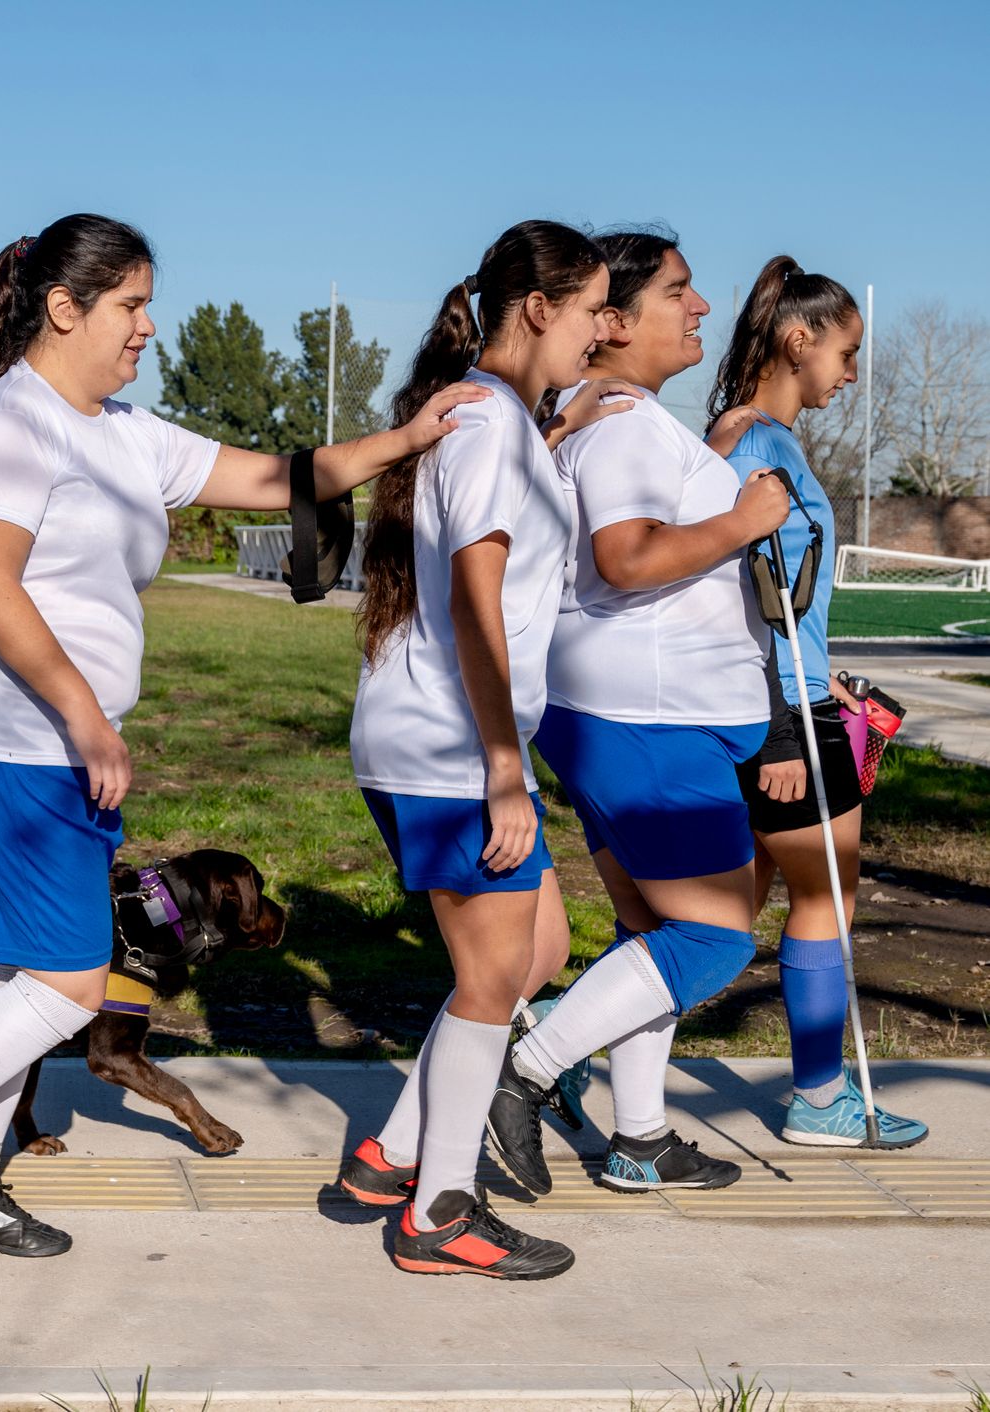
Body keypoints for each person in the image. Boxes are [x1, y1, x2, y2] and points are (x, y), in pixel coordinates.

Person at [0, 213, 487, 1269]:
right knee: (69, 984)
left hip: (60, 752)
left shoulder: (125, 431)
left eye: (147, 304)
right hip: (12, 746)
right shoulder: (5, 424)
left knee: (15, 973)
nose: (147, 325)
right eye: (130, 304)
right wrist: (85, 716)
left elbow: (276, 476)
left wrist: (404, 440)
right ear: (64, 308)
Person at [341, 219, 643, 1279]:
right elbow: (476, 597)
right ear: (538, 308)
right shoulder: (484, 427)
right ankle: (438, 1210)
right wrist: (505, 768)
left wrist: (553, 434)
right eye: (592, 308)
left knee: (533, 951)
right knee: (489, 976)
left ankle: (393, 1154)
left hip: (441, 739)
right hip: (451, 749)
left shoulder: (500, 423)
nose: (603, 329)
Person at [484, 229, 793, 1198]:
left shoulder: (615, 417)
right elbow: (624, 558)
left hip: (628, 712)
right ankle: (525, 1069)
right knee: (711, 937)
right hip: (647, 717)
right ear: (612, 321)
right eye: (678, 290)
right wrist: (743, 521)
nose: (700, 307)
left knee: (650, 930)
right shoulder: (621, 425)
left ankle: (641, 1135)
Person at [707, 256, 927, 1148]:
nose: (852, 373)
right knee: (821, 898)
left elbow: (786, 598)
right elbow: (724, 594)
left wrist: (823, 676)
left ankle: (553, 1045)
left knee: (720, 917)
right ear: (799, 340)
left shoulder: (770, 439)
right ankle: (820, 1098)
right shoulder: (748, 442)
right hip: (782, 718)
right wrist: (780, 727)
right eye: (847, 352)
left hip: (801, 697)